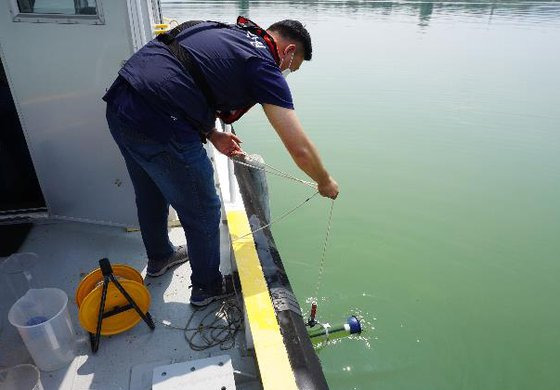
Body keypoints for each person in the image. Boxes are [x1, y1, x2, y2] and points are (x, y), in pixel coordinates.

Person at [103, 17, 339, 307]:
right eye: (292, 66)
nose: (286, 71)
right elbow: (299, 149)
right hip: (161, 125)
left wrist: (212, 133)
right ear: (289, 50)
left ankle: (160, 256)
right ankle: (206, 288)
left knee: (150, 192)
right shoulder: (262, 64)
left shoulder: (224, 32)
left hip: (120, 106)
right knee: (204, 209)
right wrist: (324, 181)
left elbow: (187, 72)